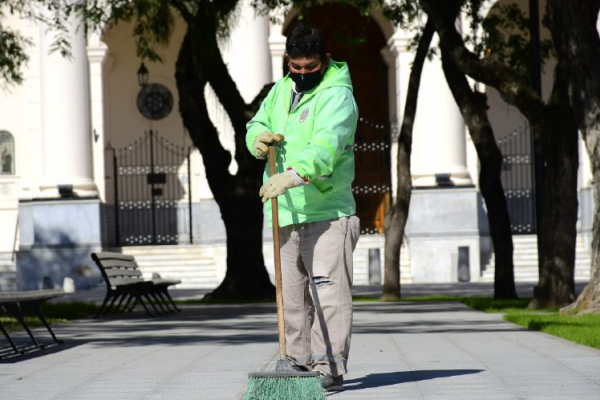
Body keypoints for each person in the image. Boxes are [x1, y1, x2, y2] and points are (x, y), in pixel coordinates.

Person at [245, 23, 360, 392]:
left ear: (325, 61)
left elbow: (325, 148)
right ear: (287, 61)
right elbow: (258, 122)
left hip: (328, 212)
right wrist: (256, 139)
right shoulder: (280, 90)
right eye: (297, 68)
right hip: (286, 213)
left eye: (310, 67)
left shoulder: (338, 96)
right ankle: (297, 365)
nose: (303, 74)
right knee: (291, 297)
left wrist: (291, 177)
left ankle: (330, 367)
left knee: (328, 294)